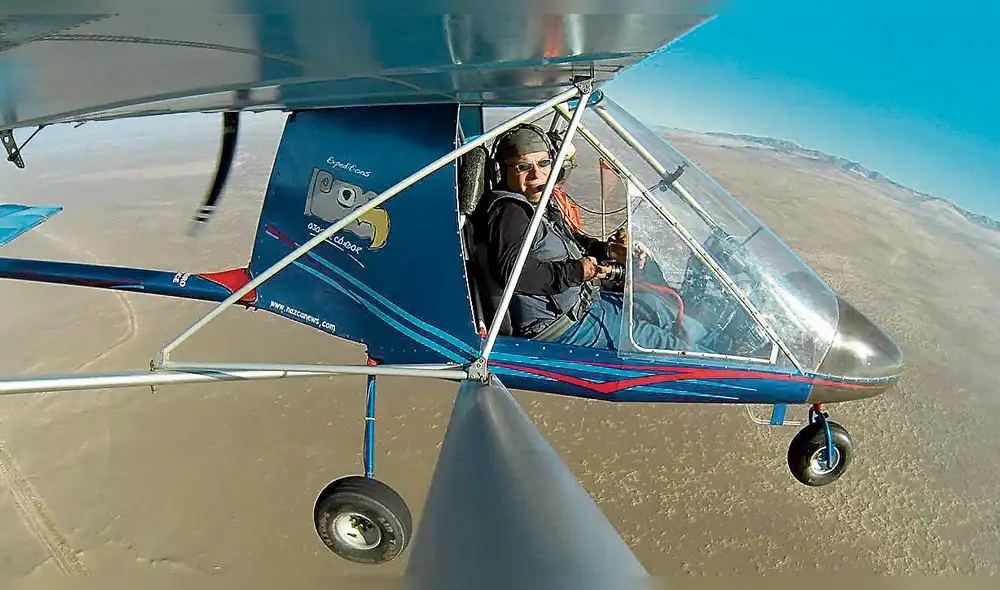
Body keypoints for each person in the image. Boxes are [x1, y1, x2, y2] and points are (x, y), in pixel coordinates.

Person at [474, 123, 699, 351]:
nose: (536, 174)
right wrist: (577, 272)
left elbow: (572, 240)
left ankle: (714, 341)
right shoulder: (509, 212)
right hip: (563, 326)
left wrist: (608, 250)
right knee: (669, 345)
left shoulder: (538, 203)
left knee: (660, 309)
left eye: (544, 163)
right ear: (502, 171)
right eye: (523, 166)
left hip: (583, 305)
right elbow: (515, 272)